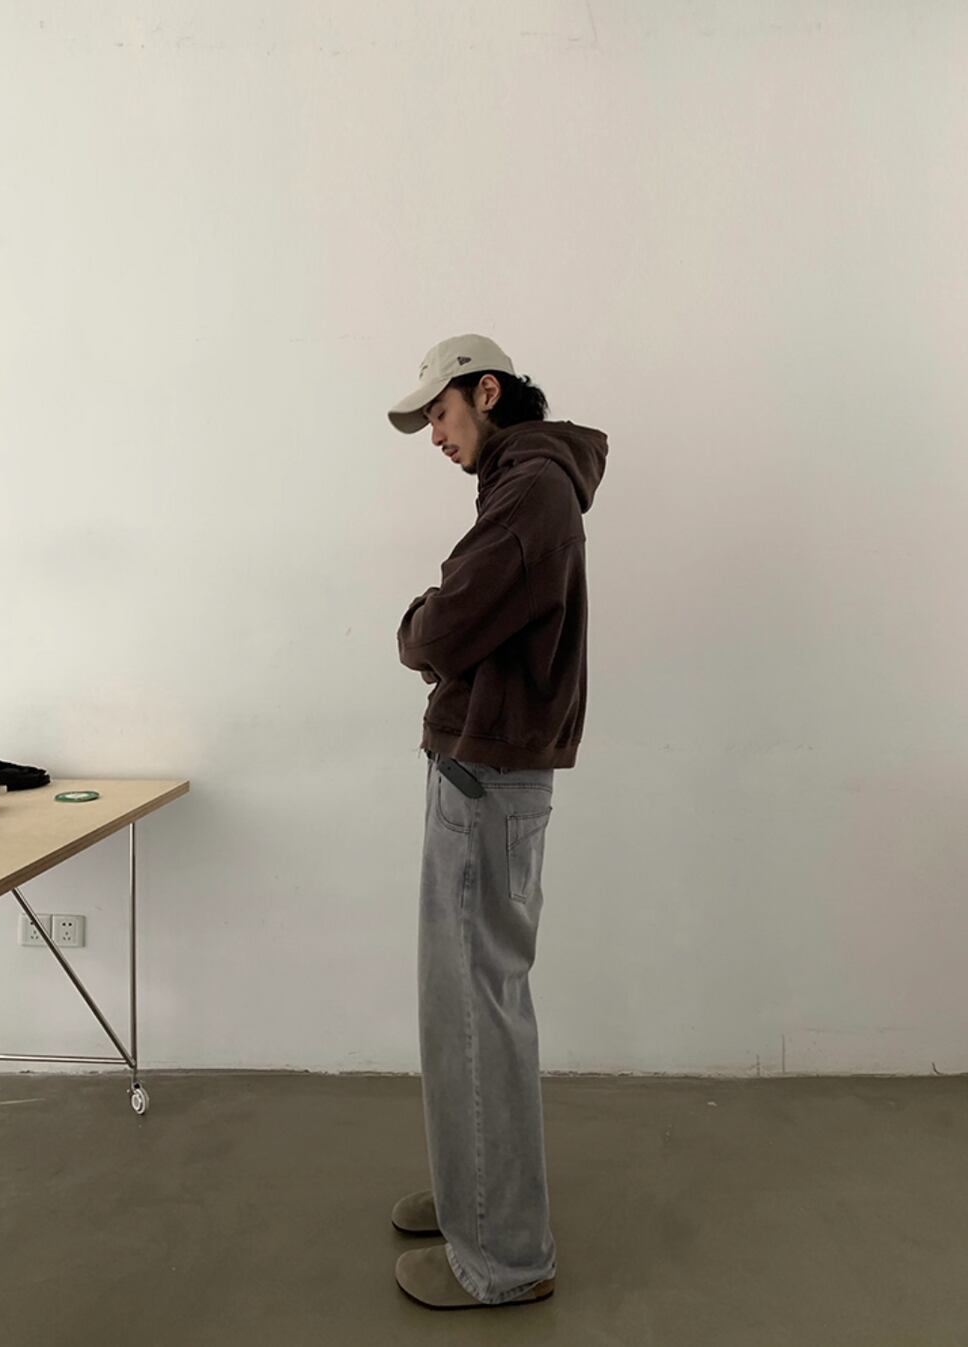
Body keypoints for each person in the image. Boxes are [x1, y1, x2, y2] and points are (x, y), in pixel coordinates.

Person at [387, 333, 609, 1310]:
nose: (435, 436)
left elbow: (438, 629)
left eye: (439, 414)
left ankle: (505, 1258)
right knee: (461, 1005)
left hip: (487, 781)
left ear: (486, 392)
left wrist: (419, 621)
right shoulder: (522, 483)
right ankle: (470, 1199)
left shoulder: (531, 491)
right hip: (481, 774)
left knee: (480, 1011)